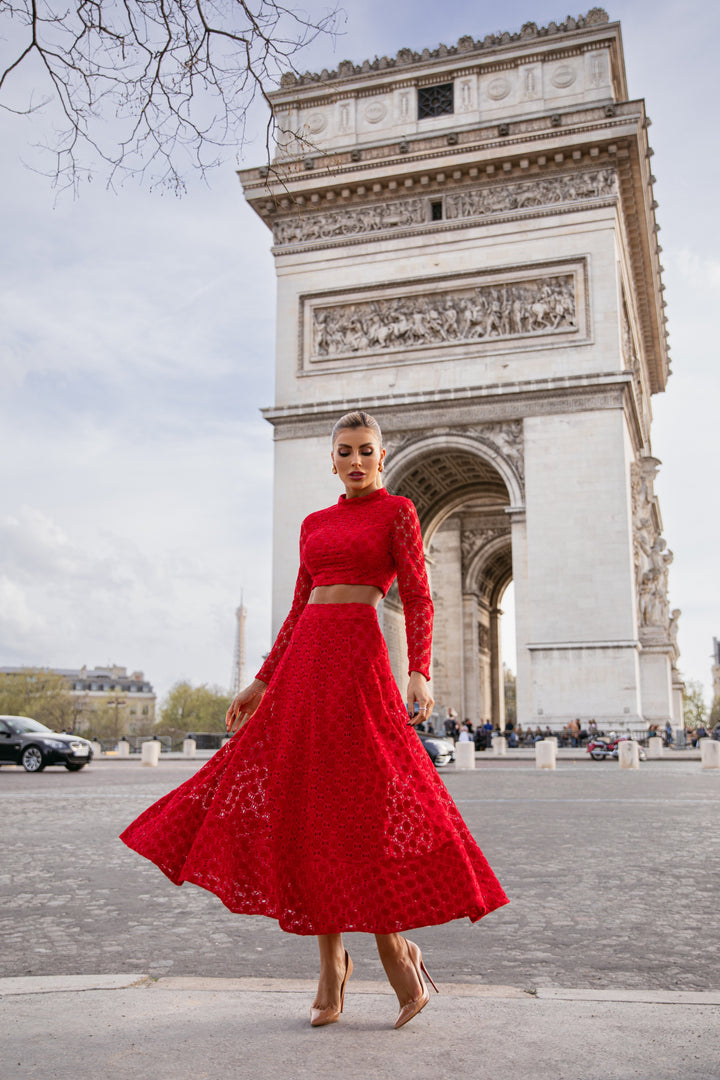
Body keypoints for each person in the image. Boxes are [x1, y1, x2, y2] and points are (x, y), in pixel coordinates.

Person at [119, 410, 508, 1030]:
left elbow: (420, 595)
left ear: (382, 457)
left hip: (359, 664)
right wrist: (261, 680)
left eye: (366, 451)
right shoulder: (313, 524)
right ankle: (332, 968)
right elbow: (299, 608)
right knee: (308, 813)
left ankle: (392, 946)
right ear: (331, 460)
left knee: (370, 804)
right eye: (345, 451)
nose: (356, 461)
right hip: (304, 668)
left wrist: (420, 669)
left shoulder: (399, 513)